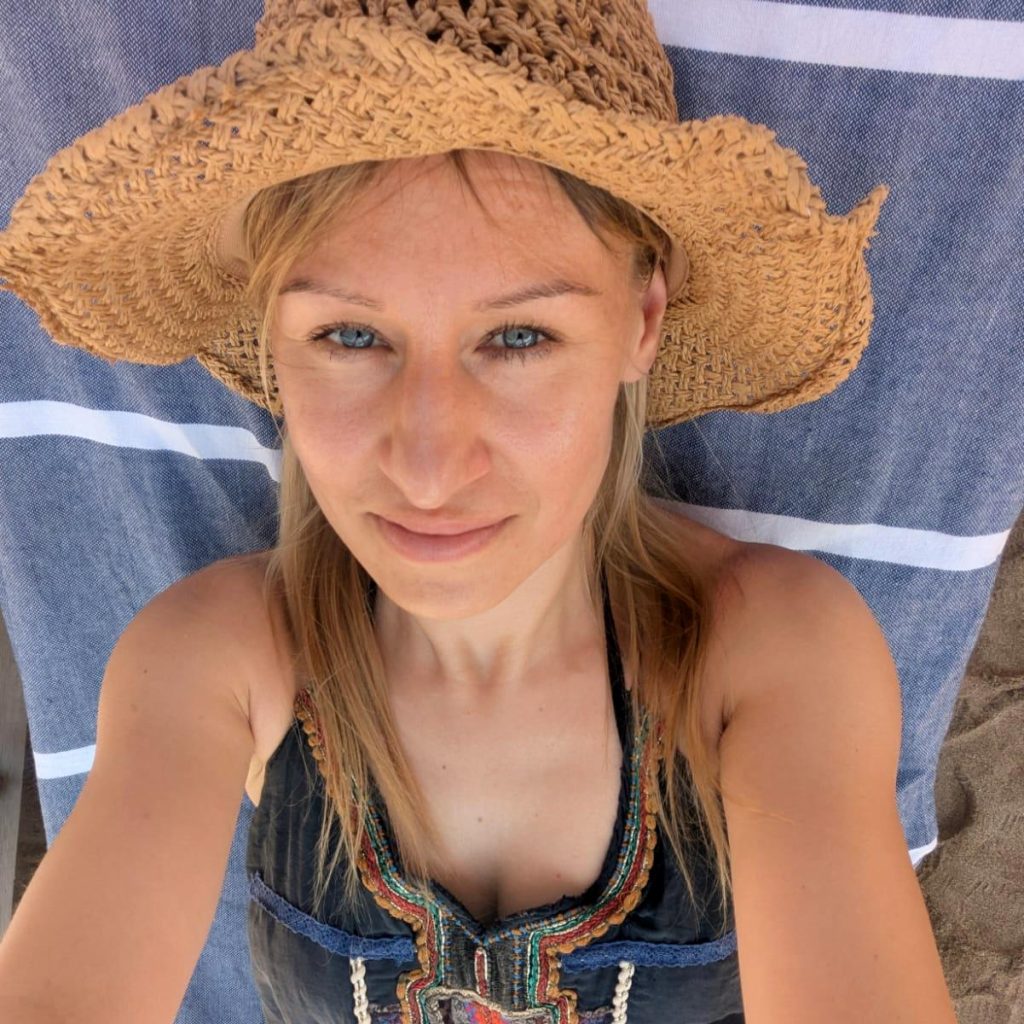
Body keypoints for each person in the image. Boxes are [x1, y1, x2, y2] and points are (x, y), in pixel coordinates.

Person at [0, 2, 957, 1022]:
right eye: (350, 336)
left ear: (642, 319)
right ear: (272, 335)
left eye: (518, 339)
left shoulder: (774, 651)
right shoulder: (213, 662)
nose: (427, 468)